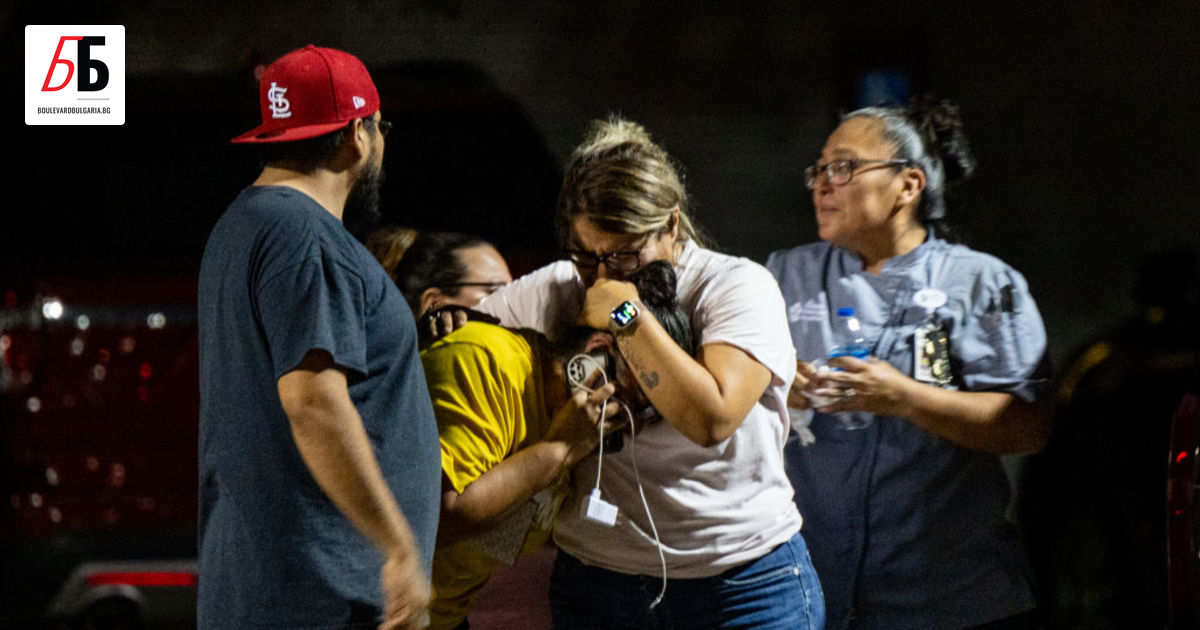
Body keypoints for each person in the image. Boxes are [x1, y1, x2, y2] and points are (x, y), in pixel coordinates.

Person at [474, 117, 825, 630]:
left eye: (623, 256)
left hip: (742, 585)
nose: (602, 276)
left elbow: (711, 419)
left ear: (671, 227)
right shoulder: (559, 287)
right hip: (598, 582)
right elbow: (463, 349)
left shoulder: (736, 287)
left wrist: (624, 316)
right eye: (585, 255)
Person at [765, 96, 1051, 630]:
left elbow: (1029, 426)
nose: (823, 183)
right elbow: (729, 396)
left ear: (908, 184)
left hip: (950, 596)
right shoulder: (785, 275)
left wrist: (906, 398)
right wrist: (779, 389)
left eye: (844, 167)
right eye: (819, 170)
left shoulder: (982, 282)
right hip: (814, 596)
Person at [197, 45, 440, 630]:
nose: (382, 138)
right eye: (379, 125)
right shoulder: (304, 237)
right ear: (358, 135)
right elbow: (313, 403)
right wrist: (398, 547)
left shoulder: (243, 223)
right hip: (323, 594)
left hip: (273, 586)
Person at [422, 261, 694, 630]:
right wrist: (559, 448)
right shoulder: (488, 362)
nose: (636, 426)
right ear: (596, 351)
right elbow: (444, 518)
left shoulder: (573, 435)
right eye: (638, 400)